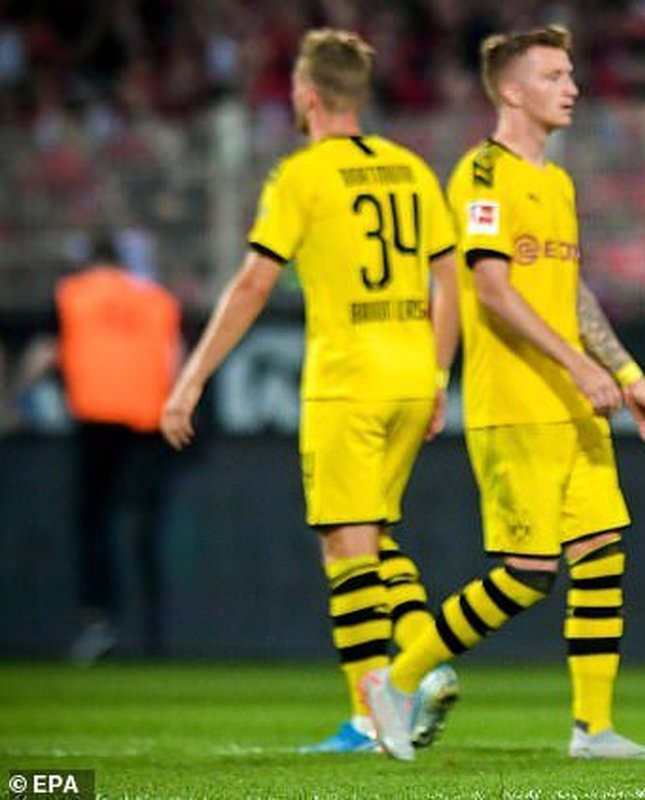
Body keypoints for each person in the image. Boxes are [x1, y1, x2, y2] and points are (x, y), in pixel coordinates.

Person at [359, 24, 645, 763]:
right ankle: (394, 683)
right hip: (516, 401)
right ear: (510, 89)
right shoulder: (481, 174)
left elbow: (572, 293)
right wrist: (578, 367)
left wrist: (626, 376)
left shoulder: (555, 182)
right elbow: (492, 291)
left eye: (570, 73)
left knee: (600, 553)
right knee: (528, 573)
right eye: (553, 75)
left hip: (573, 403)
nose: (572, 87)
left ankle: (593, 729)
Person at [159, 29, 462, 754]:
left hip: (347, 380)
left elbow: (253, 284)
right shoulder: (411, 168)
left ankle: (374, 714)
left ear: (307, 95)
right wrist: (436, 375)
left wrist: (191, 377)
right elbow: (449, 281)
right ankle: (423, 656)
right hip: (409, 373)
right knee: (373, 534)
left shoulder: (302, 176)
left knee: (345, 543)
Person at [48, 235, 182, 665]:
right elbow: (175, 359)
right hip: (149, 422)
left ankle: (100, 620)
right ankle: (155, 629)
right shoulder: (157, 300)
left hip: (96, 417)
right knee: (146, 526)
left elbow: (46, 351)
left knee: (94, 520)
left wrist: (14, 398)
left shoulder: (72, 294)